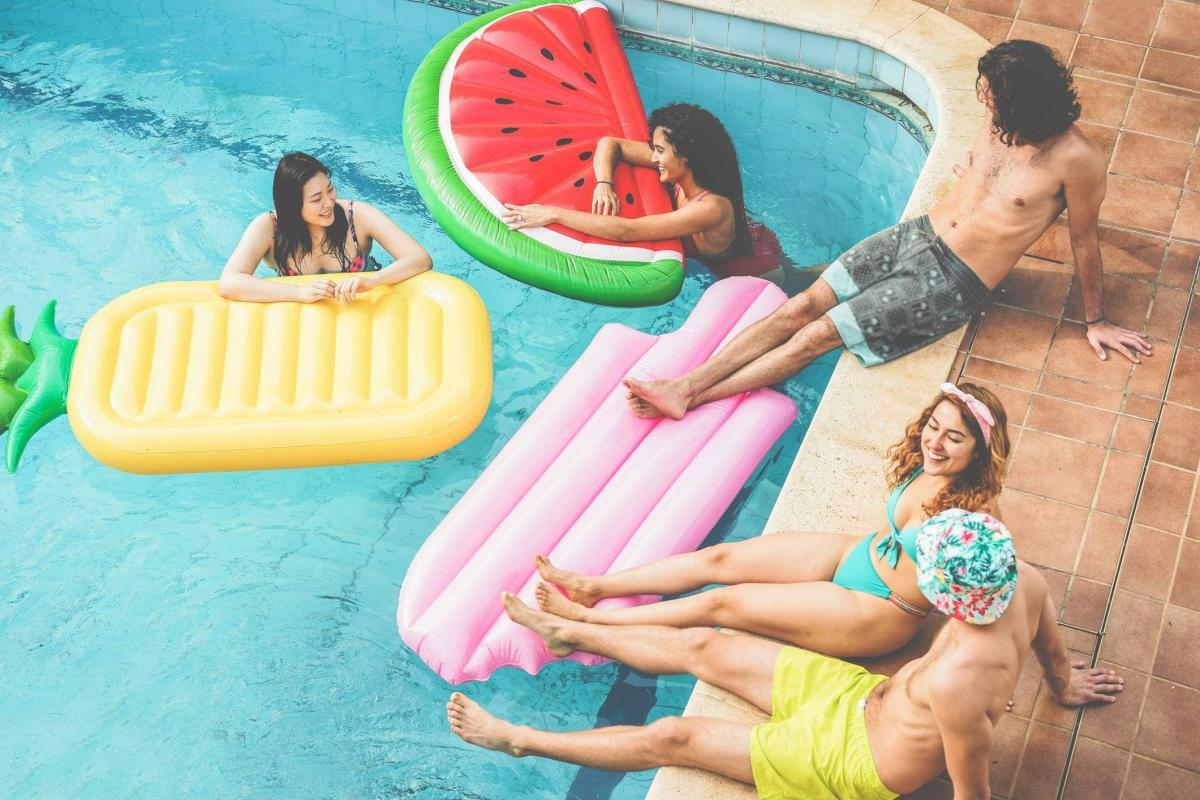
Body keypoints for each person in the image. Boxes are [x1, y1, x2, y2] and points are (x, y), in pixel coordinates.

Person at [622, 40, 1153, 421]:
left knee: (816, 336)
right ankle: (686, 383)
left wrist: (1097, 319)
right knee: (801, 305)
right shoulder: (1003, 125)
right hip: (916, 235)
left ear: (1022, 99)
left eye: (991, 92)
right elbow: (990, 178)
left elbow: (1085, 240)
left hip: (954, 279)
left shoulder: (1077, 159)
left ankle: (690, 398)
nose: (982, 98)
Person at [447, 510, 1124, 800]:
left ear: (951, 597)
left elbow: (970, 789)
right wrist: (1062, 684)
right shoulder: (1022, 579)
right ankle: (575, 632)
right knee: (707, 643)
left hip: (858, 757)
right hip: (857, 695)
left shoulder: (959, 683)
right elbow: (1046, 641)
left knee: (672, 734)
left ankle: (520, 740)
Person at [532, 382, 1008, 658]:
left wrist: (983, 672)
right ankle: (595, 587)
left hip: (878, 609)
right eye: (933, 427)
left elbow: (996, 594)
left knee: (724, 605)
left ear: (979, 450)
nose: (935, 444)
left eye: (954, 439)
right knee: (719, 558)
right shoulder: (926, 461)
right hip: (856, 553)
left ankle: (585, 625)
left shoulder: (973, 515)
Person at [500, 103, 806, 290]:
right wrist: (604, 182)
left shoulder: (711, 207)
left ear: (685, 157)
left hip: (754, 269)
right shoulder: (682, 171)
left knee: (798, 282)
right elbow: (611, 144)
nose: (654, 158)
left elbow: (627, 232)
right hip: (741, 240)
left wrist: (553, 213)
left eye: (660, 151)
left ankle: (842, 273)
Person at [219, 152, 431, 304]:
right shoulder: (269, 228)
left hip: (362, 305)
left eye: (330, 190)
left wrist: (371, 281)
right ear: (292, 205)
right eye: (316, 199)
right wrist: (298, 293)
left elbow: (419, 258)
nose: (329, 203)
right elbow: (230, 282)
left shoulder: (358, 216)